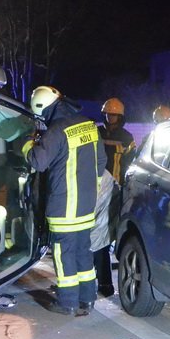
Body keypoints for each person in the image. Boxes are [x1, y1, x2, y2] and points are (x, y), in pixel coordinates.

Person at [24, 85, 106, 315]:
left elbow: (38, 162)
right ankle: (87, 298)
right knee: (83, 251)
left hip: (64, 206)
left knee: (64, 254)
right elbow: (101, 161)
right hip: (87, 205)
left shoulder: (57, 130)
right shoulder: (89, 125)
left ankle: (67, 302)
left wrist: (27, 145)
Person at [99, 97, 137, 186]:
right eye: (108, 114)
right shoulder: (97, 133)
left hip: (116, 183)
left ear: (119, 117)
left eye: (113, 115)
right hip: (97, 183)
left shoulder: (126, 137)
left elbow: (131, 160)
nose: (110, 117)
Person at [91, 171, 117, 297]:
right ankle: (105, 284)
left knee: (95, 249)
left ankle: (95, 286)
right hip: (105, 219)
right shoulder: (104, 172)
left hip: (99, 219)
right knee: (102, 249)